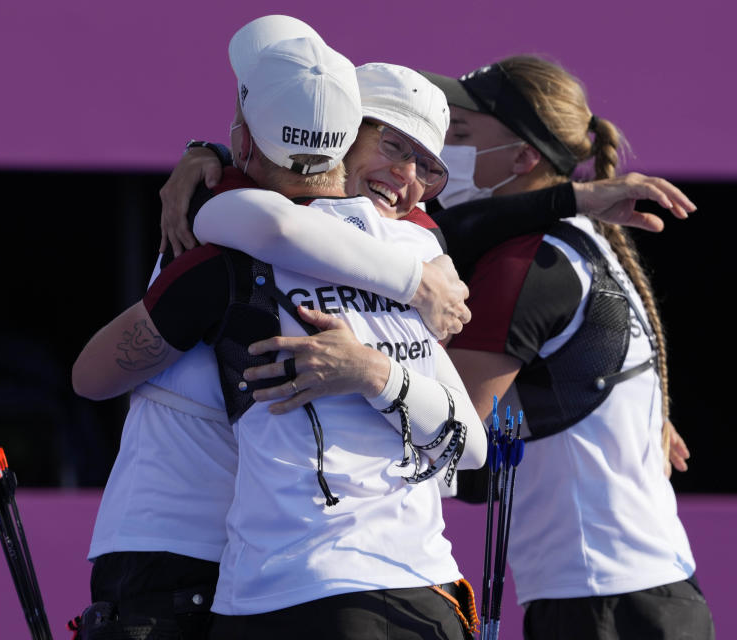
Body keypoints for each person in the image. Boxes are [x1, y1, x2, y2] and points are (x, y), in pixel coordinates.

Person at [74, 20, 487, 640]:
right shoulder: (415, 259)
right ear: (347, 136)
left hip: (223, 566)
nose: (406, 177)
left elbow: (91, 377)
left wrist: (376, 369)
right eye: (394, 146)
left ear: (243, 136)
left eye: (426, 166)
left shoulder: (222, 238)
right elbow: (275, 223)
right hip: (303, 577)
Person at [422, 57, 714, 639]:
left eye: (459, 135)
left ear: (524, 157)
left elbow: (445, 434)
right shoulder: (585, 242)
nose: (440, 152)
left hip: (597, 604)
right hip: (654, 593)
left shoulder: (526, 264)